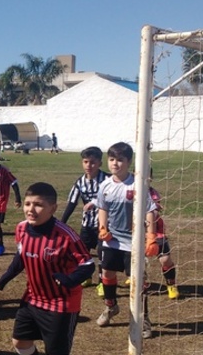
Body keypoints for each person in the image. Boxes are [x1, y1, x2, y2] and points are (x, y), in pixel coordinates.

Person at [0, 182, 94, 355]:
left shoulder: (65, 235)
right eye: (28, 204)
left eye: (39, 205)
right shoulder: (21, 229)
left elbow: (88, 264)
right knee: (20, 341)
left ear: (53, 208)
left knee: (57, 353)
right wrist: (5, 278)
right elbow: (21, 256)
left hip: (61, 302)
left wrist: (69, 280)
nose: (31, 209)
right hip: (33, 298)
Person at [95, 142, 158, 337]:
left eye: (120, 160)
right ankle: (111, 306)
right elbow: (102, 208)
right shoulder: (104, 185)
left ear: (129, 162)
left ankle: (143, 319)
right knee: (107, 273)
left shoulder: (137, 184)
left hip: (134, 242)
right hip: (112, 240)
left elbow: (150, 210)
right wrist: (103, 228)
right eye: (112, 159)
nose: (115, 164)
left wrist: (151, 237)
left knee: (139, 281)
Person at [60, 147, 110, 293]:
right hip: (86, 225)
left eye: (93, 162)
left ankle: (102, 282)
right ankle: (86, 277)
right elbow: (72, 203)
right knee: (83, 254)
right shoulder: (80, 183)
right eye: (86, 162)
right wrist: (62, 223)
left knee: (102, 254)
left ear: (100, 163)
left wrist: (95, 201)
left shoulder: (107, 180)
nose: (89, 165)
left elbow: (111, 196)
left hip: (104, 225)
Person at [148, 169, 180, 300]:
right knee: (133, 261)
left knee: (165, 259)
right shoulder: (128, 191)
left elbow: (155, 210)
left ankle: (171, 284)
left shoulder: (152, 192)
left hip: (156, 230)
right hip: (134, 231)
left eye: (148, 176)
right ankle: (131, 277)